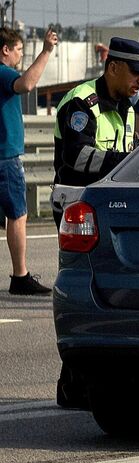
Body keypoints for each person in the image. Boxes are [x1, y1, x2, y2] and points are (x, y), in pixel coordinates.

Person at [0, 26, 58, 294]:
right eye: (19, 50)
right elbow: (26, 84)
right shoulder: (3, 72)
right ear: (6, 50)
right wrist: (46, 51)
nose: (21, 55)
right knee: (18, 215)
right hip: (5, 156)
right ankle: (20, 275)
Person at [54, 37, 139, 194]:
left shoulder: (127, 107)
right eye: (136, 72)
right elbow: (76, 156)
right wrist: (127, 161)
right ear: (113, 68)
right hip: (79, 200)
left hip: (112, 197)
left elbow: (131, 148)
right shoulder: (81, 101)